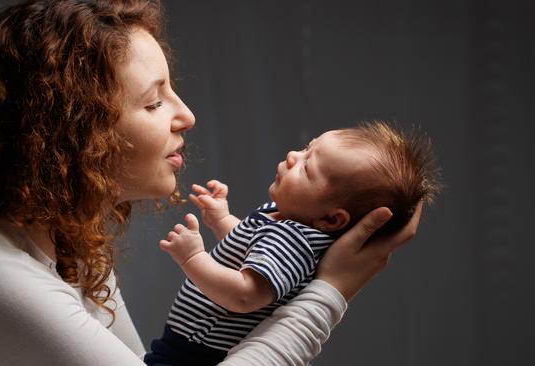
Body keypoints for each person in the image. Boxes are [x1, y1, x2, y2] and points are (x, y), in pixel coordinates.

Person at [0, 1, 423, 365]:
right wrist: (331, 292)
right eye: (153, 102)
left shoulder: (65, 245)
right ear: (71, 134)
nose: (187, 116)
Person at [146, 122, 441, 365]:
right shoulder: (282, 219)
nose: (292, 156)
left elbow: (246, 295)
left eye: (307, 169)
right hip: (188, 343)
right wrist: (221, 219)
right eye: (306, 149)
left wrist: (193, 257)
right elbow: (250, 249)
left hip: (197, 352)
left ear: (331, 220)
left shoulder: (297, 240)